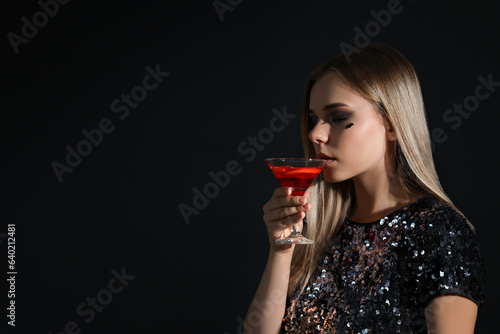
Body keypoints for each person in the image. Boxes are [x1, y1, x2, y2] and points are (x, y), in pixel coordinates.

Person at [244, 43, 485, 333]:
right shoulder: (322, 230)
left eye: (338, 117)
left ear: (392, 123)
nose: (315, 134)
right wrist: (280, 252)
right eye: (313, 119)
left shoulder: (439, 231)